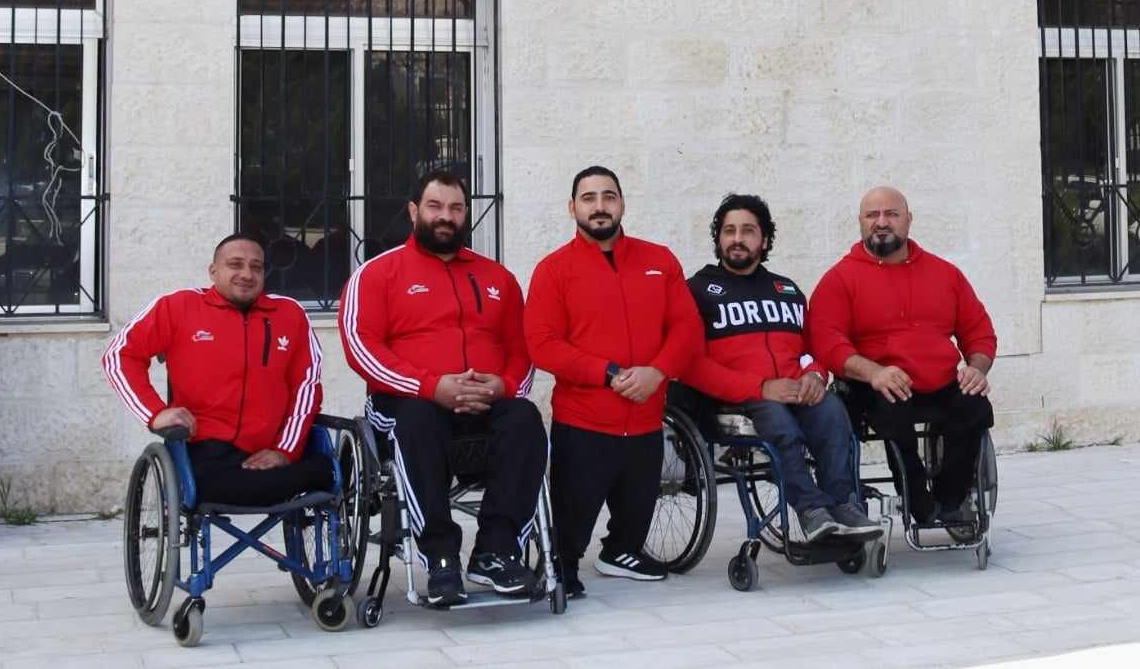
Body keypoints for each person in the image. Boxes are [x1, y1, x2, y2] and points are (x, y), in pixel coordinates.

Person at [338, 168, 545, 606]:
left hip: (486, 403)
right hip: (407, 404)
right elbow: (361, 347)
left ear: (466, 214)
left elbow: (523, 349)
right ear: (414, 211)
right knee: (418, 419)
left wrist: (503, 386)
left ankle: (496, 553)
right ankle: (441, 557)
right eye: (435, 206)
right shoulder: (378, 274)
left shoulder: (498, 278)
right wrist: (431, 387)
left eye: (455, 208)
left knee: (525, 418)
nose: (445, 216)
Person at [523, 165, 703, 598]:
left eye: (609, 196)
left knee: (636, 510)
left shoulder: (659, 260)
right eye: (589, 198)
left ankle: (622, 551)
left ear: (622, 203)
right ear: (573, 208)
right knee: (571, 522)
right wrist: (606, 373)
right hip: (584, 421)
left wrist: (658, 371)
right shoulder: (553, 270)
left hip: (645, 417)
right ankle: (562, 564)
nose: (600, 206)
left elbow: (687, 328)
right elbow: (543, 344)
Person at [682, 193, 880, 543]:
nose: (737, 239)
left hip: (794, 388)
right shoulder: (697, 291)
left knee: (833, 413)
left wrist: (816, 375)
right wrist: (759, 388)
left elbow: (812, 349)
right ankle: (812, 510)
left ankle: (845, 505)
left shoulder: (786, 290)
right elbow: (691, 365)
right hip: (740, 396)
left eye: (748, 230)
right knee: (778, 422)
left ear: (764, 239)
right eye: (729, 231)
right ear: (718, 238)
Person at [808, 185, 997, 527]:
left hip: (940, 381)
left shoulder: (945, 274)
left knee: (975, 406)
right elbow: (826, 341)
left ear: (908, 220)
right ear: (860, 222)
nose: (881, 222)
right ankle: (918, 502)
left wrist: (976, 368)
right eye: (872, 215)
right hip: (876, 384)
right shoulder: (839, 279)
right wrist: (873, 372)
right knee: (892, 409)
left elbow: (979, 332)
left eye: (891, 214)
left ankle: (950, 500)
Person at [102, 233, 331, 507]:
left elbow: (306, 386)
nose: (246, 274)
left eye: (256, 267)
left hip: (273, 447)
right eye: (235, 264)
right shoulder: (178, 306)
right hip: (206, 451)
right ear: (213, 271)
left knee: (323, 468)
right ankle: (307, 475)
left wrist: (284, 452)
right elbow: (119, 355)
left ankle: (299, 475)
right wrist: (154, 413)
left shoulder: (290, 313)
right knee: (316, 474)